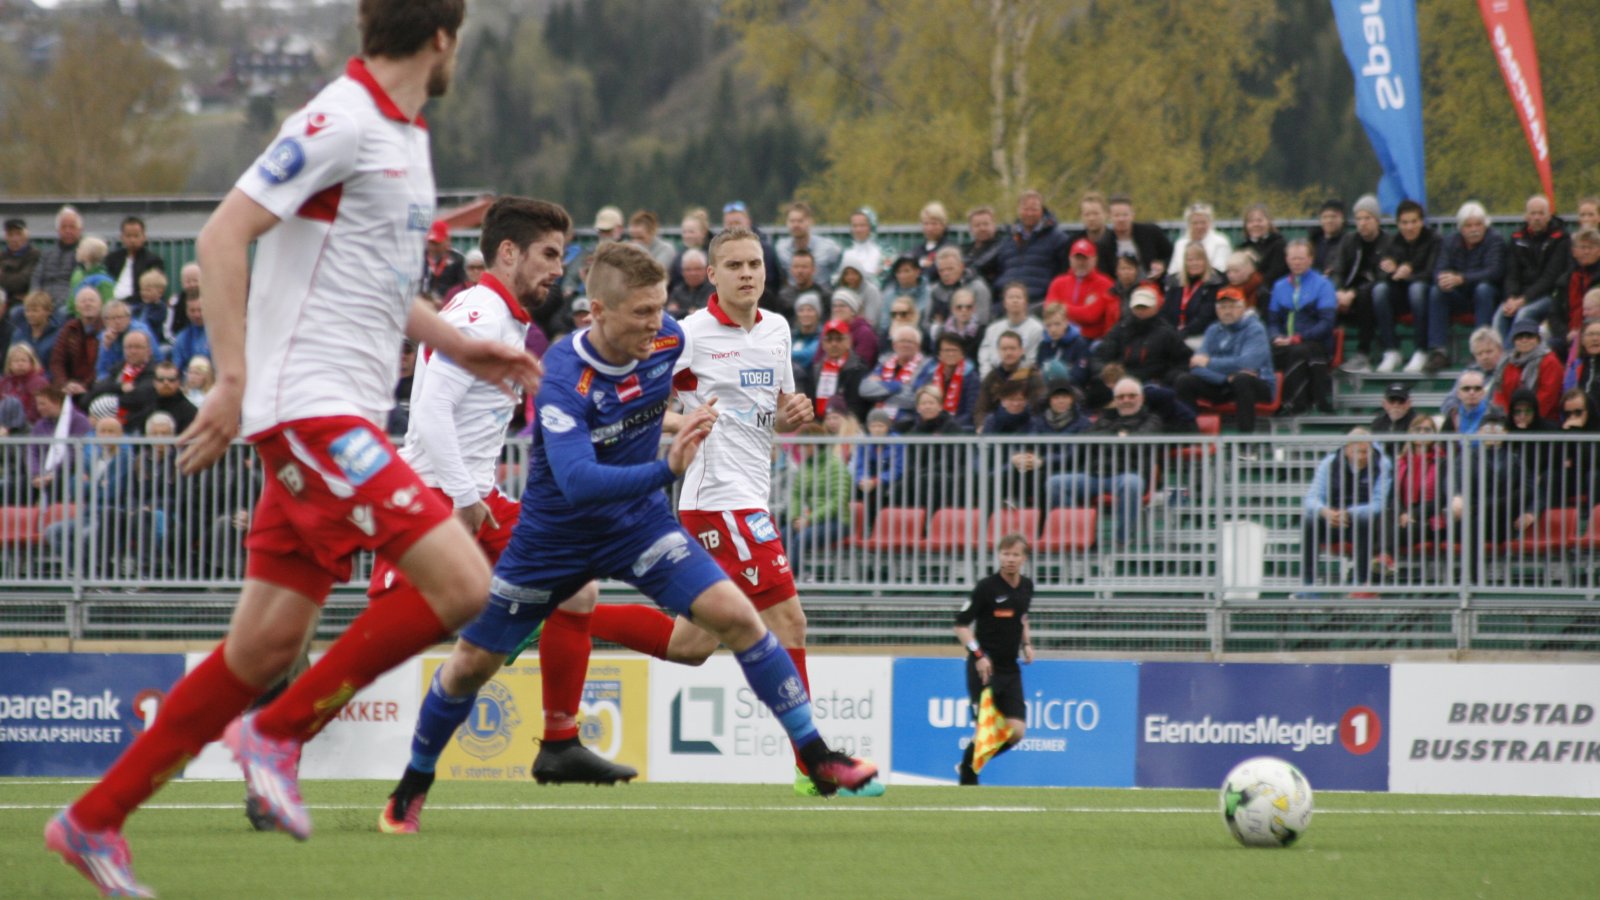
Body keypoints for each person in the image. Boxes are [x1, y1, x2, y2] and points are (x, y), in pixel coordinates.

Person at [45, 6, 546, 895]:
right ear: (441, 38)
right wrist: (232, 380)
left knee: (264, 646)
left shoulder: (405, 138)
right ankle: (276, 734)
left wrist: (462, 346)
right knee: (466, 586)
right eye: (459, 39)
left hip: (338, 414)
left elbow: (380, 285)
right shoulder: (338, 119)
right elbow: (220, 234)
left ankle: (93, 820)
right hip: (310, 413)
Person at [376, 197, 614, 833]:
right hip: (431, 497)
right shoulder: (480, 313)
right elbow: (428, 412)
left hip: (474, 495)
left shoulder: (508, 321)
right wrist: (463, 496)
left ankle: (558, 740)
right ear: (508, 253)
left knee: (577, 587)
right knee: (385, 647)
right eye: (549, 255)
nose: (558, 270)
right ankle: (281, 729)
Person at [1045, 376, 1166, 545]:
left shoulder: (1152, 419)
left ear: (1141, 398)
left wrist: (1106, 439)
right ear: (1115, 400)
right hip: (1094, 475)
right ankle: (1082, 533)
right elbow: (1084, 439)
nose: (1126, 400)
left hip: (1127, 475)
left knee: (1132, 484)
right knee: (1054, 483)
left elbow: (1138, 443)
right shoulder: (1105, 418)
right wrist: (1119, 435)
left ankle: (1122, 540)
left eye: (1132, 396)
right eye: (1121, 397)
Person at [954, 533, 1034, 786]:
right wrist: (978, 655)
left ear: (1024, 558)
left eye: (1015, 555)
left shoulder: (1026, 586)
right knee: (985, 730)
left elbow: (1022, 617)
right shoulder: (986, 588)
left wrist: (1026, 643)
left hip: (1010, 669)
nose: (1010, 559)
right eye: (1005, 554)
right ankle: (968, 779)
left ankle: (968, 764)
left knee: (1016, 731)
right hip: (984, 670)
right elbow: (961, 625)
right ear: (999, 556)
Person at [1300, 429, 1391, 596]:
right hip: (1333, 518)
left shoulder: (1382, 464)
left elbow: (1379, 503)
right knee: (1310, 521)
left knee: (1365, 521)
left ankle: (1360, 584)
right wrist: (1325, 512)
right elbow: (1311, 498)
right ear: (1347, 449)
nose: (1363, 456)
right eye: (1358, 452)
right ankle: (1308, 585)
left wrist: (1349, 513)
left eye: (1366, 451)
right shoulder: (1329, 463)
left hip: (1363, 521)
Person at [1174, 287, 1273, 435]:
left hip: (1259, 384)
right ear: (1217, 310)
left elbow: (1248, 363)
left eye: (1232, 307)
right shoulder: (1213, 330)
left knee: (1242, 379)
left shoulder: (1255, 329)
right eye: (1223, 307)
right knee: (1184, 380)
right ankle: (1192, 435)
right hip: (1223, 383)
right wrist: (1225, 378)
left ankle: (1245, 440)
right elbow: (1196, 366)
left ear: (1243, 308)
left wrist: (1209, 363)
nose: (1227, 311)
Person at [1427, 201, 1505, 364]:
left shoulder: (1495, 240)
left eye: (1478, 224)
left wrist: (1461, 278)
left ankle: (1480, 350)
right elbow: (1438, 270)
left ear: (1485, 225)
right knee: (1437, 291)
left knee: (1483, 289)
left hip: (1488, 297)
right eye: (1469, 226)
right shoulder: (1450, 241)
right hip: (1461, 296)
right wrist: (1443, 279)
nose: (1474, 230)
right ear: (1461, 228)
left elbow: (1494, 272)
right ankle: (1438, 351)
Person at [1267, 240, 1338, 414]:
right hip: (1286, 342)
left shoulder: (1323, 285)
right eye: (1293, 258)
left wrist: (1299, 338)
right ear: (1287, 260)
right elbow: (1273, 321)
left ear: (1311, 259)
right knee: (1264, 351)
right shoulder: (1279, 286)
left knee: (1298, 351)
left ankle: (1297, 404)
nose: (1296, 262)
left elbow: (1326, 323)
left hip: (1315, 342)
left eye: (1301, 258)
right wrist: (1276, 336)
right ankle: (1275, 403)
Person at [1090, 286, 1191, 405]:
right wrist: (1107, 373)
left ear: (1155, 308)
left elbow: (1183, 361)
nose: (1140, 311)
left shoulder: (1167, 333)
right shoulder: (1120, 329)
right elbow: (1100, 356)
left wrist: (1164, 378)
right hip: (1118, 380)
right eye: (1137, 307)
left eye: (1145, 307)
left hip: (1150, 383)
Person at [1375, 200, 1442, 374]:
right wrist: (1390, 271)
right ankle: (1391, 350)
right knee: (1379, 291)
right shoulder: (1392, 241)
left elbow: (1432, 273)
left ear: (1422, 221)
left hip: (1426, 295)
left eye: (1414, 222)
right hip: (1400, 294)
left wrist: (1409, 274)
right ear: (1398, 224)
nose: (1409, 227)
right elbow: (1380, 274)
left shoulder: (1435, 239)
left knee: (1416, 290)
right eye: (1404, 223)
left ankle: (1421, 350)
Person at [1328, 194, 1391, 372]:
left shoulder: (1388, 242)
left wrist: (1352, 293)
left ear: (1377, 220)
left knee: (1366, 295)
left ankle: (1363, 354)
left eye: (1367, 218)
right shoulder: (1349, 241)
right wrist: (1339, 292)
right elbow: (1338, 270)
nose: (1362, 223)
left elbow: (1382, 277)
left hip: (1372, 298)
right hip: (1346, 296)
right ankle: (1326, 354)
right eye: (1359, 219)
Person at [1495, 194, 1569, 345]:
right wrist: (1511, 298)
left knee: (1524, 314)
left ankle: (1511, 355)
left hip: (1549, 296)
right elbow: (1512, 274)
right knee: (1500, 315)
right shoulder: (1517, 238)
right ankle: (1498, 355)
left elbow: (1550, 278)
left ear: (1549, 216)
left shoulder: (1561, 239)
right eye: (1533, 213)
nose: (1536, 218)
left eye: (1541, 213)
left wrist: (1523, 300)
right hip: (1520, 296)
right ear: (1526, 216)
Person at [996, 190, 1069, 306]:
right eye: (1025, 209)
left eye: (1034, 209)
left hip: (1040, 303)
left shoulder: (1057, 239)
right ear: (1018, 210)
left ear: (1042, 210)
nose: (1029, 213)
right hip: (1007, 304)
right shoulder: (1007, 240)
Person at [1046, 238, 1118, 338]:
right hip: (1061, 338)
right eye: (1077, 258)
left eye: (1085, 258)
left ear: (1094, 259)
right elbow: (1050, 311)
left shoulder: (1106, 284)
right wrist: (1079, 311)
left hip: (1092, 339)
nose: (1080, 263)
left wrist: (1061, 308)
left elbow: (1091, 315)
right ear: (1070, 259)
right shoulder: (1058, 283)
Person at [1496, 318, 1563, 422]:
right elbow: (1500, 393)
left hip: (1542, 421)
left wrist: (1526, 418)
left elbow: (1548, 396)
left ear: (1538, 339)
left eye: (1529, 336)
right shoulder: (1507, 362)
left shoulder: (1550, 361)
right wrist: (1509, 418)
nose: (1524, 340)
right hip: (1511, 420)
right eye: (1520, 337)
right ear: (1514, 340)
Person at [974, 331, 1044, 427]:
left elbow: (1037, 409)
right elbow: (981, 408)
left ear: (1021, 350)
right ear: (999, 351)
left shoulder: (1031, 376)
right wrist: (981, 425)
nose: (1008, 353)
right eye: (1004, 349)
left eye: (1012, 348)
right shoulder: (992, 377)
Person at [913, 332, 981, 429]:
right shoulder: (930, 376)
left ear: (962, 354)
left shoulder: (972, 378)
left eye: (954, 350)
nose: (951, 354)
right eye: (946, 350)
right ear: (939, 354)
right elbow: (920, 405)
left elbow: (970, 412)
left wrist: (947, 426)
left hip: (958, 428)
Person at [806, 318, 870, 421]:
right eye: (829, 339)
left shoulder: (858, 369)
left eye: (839, 339)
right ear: (823, 343)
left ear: (849, 341)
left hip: (848, 424)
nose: (834, 343)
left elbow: (858, 406)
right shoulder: (815, 370)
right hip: (818, 425)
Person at [1098, 194, 1172, 282]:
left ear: (1132, 215)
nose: (1121, 219)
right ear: (1109, 217)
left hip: (1152, 284)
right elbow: (1104, 275)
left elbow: (1171, 255)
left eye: (1125, 215)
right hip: (1119, 287)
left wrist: (1162, 265)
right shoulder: (1104, 243)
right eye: (1116, 215)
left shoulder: (1151, 232)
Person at [1548, 229, 1600, 353]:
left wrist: (1585, 332)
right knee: (1550, 345)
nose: (1586, 251)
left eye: (1591, 248)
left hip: (1595, 333)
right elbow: (1554, 314)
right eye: (1582, 247)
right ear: (1574, 252)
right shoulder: (1565, 280)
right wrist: (1566, 334)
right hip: (1568, 334)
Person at [49, 287, 104, 401]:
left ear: (100, 305)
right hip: (69, 386)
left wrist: (84, 386)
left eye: (92, 300)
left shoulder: (106, 329)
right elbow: (57, 361)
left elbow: (103, 365)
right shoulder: (69, 328)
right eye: (83, 301)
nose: (87, 304)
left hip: (96, 386)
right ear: (76, 307)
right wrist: (64, 384)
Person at [978, 282, 1044, 378]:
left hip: (1023, 379)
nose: (1015, 300)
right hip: (995, 378)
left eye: (1018, 297)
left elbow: (1032, 359)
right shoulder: (992, 329)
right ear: (1004, 303)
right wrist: (988, 378)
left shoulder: (1037, 329)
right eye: (1011, 297)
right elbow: (985, 357)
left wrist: (1014, 379)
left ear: (1026, 302)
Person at [1161, 243, 1221, 342]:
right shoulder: (1175, 282)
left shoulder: (1213, 284)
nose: (1194, 263)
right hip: (1174, 333)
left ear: (1205, 261)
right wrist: (1171, 332)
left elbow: (1205, 316)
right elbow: (1165, 312)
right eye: (1190, 260)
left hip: (1199, 335)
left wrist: (1184, 332)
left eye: (1198, 259)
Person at [776, 200, 843, 288]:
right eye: (792, 221)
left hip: (822, 294)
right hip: (793, 294)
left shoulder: (829, 248)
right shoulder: (781, 249)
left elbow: (840, 274)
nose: (795, 225)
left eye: (800, 221)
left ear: (810, 222)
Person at [105, 216, 166, 304]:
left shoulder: (153, 261)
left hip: (138, 305)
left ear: (144, 237)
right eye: (128, 236)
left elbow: (153, 291)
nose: (132, 240)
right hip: (111, 304)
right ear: (121, 237)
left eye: (136, 236)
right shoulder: (111, 259)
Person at [30, 206, 82, 306]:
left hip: (67, 302)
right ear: (58, 230)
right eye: (64, 227)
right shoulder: (47, 253)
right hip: (43, 300)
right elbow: (36, 277)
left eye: (72, 227)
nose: (67, 231)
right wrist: (35, 297)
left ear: (79, 230)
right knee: (17, 312)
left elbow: (78, 284)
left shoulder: (83, 254)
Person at [930, 245, 992, 326]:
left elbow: (982, 321)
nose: (945, 274)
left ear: (962, 267)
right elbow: (926, 322)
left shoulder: (978, 288)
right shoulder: (935, 290)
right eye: (941, 270)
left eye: (950, 269)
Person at [1034, 302, 1090, 388]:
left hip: (1070, 390)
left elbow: (1080, 376)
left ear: (1066, 322)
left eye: (1057, 324)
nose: (1053, 329)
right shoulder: (1044, 345)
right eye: (1048, 325)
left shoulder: (1079, 344)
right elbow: (1039, 370)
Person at [1169, 202, 1232, 274]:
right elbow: (1173, 271)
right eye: (1195, 223)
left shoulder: (1220, 242)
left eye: (1203, 222)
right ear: (1188, 224)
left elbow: (1220, 270)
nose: (1199, 226)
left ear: (1210, 223)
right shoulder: (1180, 244)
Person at [11, 292, 61, 382]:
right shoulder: (19, 334)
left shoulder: (58, 336)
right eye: (27, 311)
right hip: (19, 383)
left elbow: (57, 368)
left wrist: (38, 381)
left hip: (46, 384)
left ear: (48, 311)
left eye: (35, 311)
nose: (30, 314)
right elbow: (10, 362)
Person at [1238, 203, 1288, 289]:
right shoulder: (1241, 248)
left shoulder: (1279, 245)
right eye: (1251, 221)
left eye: (1259, 220)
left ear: (1269, 222)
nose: (1255, 224)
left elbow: (1275, 274)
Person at [1441, 368, 1504, 435]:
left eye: (1477, 388)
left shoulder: (1496, 416)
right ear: (1458, 393)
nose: (1472, 392)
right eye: (1466, 388)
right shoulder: (1453, 417)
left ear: (1483, 393)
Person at [830, 286, 879, 369]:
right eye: (834, 306)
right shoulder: (830, 330)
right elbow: (818, 360)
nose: (837, 309)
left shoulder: (864, 333)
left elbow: (861, 365)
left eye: (842, 306)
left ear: (853, 311)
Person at [931, 286, 984, 363]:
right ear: (952, 309)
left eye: (968, 307)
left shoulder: (982, 332)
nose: (964, 310)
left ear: (974, 309)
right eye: (959, 307)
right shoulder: (942, 332)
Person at [774, 248, 825, 322]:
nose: (800, 271)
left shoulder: (823, 296)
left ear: (813, 269)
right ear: (791, 270)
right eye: (796, 267)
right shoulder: (783, 296)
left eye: (804, 267)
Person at [962, 204, 1006, 289]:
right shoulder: (964, 250)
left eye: (986, 224)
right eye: (977, 225)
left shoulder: (1002, 246)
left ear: (994, 225)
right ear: (970, 229)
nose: (982, 228)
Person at [421, 220, 466, 303]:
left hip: (449, 304)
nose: (432, 247)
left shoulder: (458, 260)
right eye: (430, 242)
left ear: (447, 241)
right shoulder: (421, 258)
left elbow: (462, 288)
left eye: (436, 243)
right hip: (423, 304)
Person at [1, 217, 41, 307]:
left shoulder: (34, 255)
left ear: (26, 236)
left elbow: (22, 282)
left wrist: (2, 276)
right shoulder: (2, 256)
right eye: (10, 235)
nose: (14, 239)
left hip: (21, 301)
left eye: (18, 234)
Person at [170, 293, 211, 378]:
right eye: (192, 311)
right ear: (187, 312)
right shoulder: (182, 338)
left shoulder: (218, 335)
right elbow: (176, 368)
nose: (197, 315)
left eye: (200, 310)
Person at [669, 248, 715, 317]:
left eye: (697, 269)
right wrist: (688, 311)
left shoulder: (713, 290)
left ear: (706, 270)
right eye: (688, 269)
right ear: (682, 272)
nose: (693, 273)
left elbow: (702, 314)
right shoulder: (677, 290)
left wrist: (680, 311)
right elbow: (670, 312)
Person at [1308, 198, 1349, 274]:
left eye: (1333, 216)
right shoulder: (1313, 242)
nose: (1329, 220)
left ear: (1342, 218)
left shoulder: (1349, 242)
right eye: (1325, 217)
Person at [915, 201, 955, 277]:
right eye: (926, 224)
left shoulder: (950, 248)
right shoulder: (916, 250)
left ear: (943, 225)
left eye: (934, 224)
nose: (929, 228)